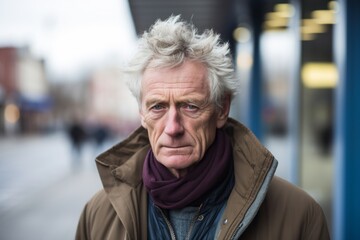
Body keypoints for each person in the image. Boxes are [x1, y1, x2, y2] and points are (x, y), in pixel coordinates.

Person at [76, 15, 330, 239]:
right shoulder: (98, 216)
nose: (173, 128)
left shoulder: (298, 215)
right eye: (158, 107)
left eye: (190, 106)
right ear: (141, 113)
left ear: (221, 109)